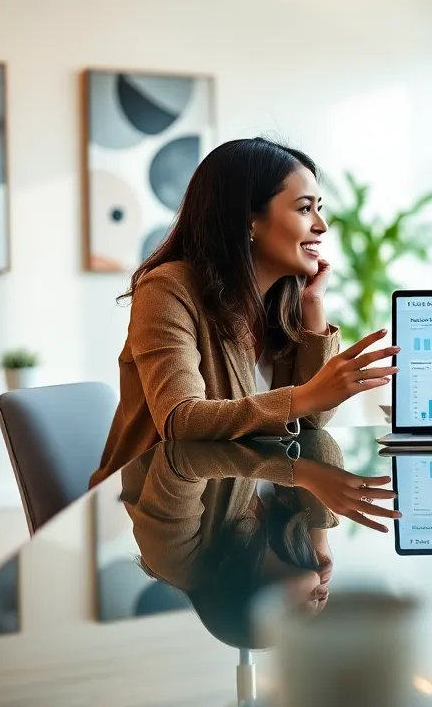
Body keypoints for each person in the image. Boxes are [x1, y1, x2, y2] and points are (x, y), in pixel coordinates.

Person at [91, 138, 400, 487]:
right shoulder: (167, 289)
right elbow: (180, 420)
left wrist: (313, 307)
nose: (321, 225)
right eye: (303, 209)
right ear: (250, 221)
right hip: (169, 506)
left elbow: (312, 421)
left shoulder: (282, 299)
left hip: (249, 496)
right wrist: (307, 393)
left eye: (319, 208)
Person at [120, 431, 399, 648]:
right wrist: (318, 534)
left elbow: (180, 459)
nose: (318, 608)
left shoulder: (175, 559)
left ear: (260, 607)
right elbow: (315, 438)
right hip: (257, 381)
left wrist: (297, 474)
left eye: (296, 620)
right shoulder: (281, 536)